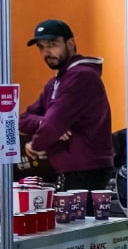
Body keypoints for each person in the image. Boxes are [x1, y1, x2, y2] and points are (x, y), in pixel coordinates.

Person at [20, 19, 115, 191]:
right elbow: (23, 119)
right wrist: (42, 122)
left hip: (87, 171)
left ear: (70, 43)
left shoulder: (80, 76)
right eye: (41, 47)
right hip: (71, 170)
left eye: (52, 44)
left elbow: (53, 124)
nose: (47, 52)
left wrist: (34, 145)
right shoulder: (55, 82)